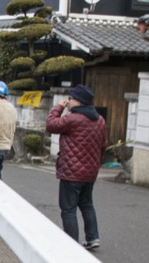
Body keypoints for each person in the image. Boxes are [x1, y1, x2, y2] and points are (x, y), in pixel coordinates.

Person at [46, 84, 108, 250]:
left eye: (71, 98)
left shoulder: (72, 119)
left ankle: (71, 243)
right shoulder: (100, 120)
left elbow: (51, 125)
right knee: (86, 204)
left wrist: (58, 107)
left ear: (79, 102)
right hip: (90, 172)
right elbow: (104, 146)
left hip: (71, 173)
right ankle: (93, 237)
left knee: (68, 208)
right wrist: (96, 164)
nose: (69, 101)